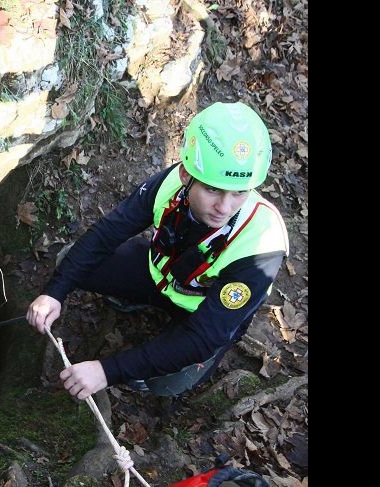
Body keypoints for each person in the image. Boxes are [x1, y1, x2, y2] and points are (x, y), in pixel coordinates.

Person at [26, 101, 289, 399]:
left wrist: (107, 370)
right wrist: (55, 291)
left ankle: (153, 355)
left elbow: (203, 337)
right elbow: (108, 232)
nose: (224, 207)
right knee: (70, 261)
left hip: (202, 313)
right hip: (158, 274)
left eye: (239, 193)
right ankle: (141, 302)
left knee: (164, 386)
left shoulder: (261, 244)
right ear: (186, 176)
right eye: (213, 189)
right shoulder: (170, 184)